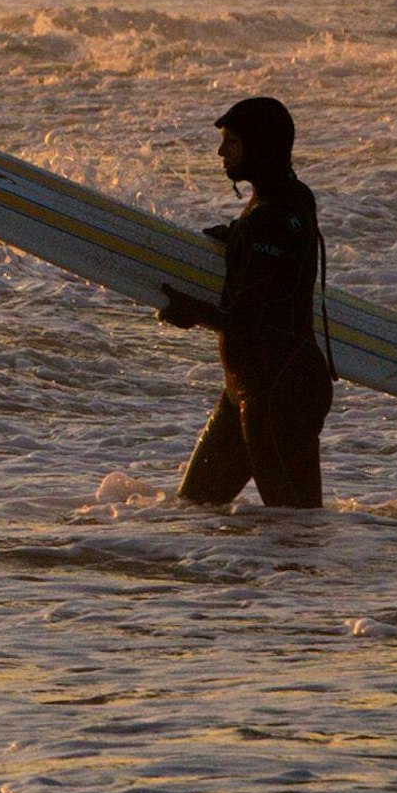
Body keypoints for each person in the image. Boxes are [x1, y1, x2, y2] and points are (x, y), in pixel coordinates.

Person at [155, 95, 336, 508]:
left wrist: (190, 311)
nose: (221, 152)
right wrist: (236, 237)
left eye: (232, 142)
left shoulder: (270, 220)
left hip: (278, 392)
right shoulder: (286, 201)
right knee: (195, 508)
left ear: (260, 147)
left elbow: (253, 319)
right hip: (249, 386)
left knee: (295, 531)